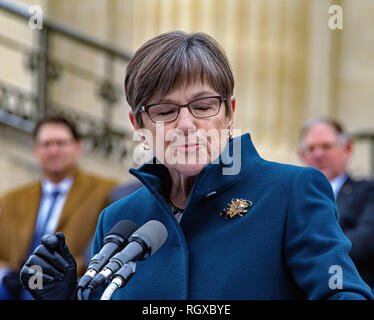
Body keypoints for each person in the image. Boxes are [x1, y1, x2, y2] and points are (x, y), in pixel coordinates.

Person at [20, 31, 373, 300]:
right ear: (138, 125)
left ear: (229, 112)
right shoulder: (118, 220)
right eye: (164, 111)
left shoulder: (290, 191)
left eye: (203, 106)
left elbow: (342, 292)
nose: (186, 125)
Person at [0, 115, 118, 299]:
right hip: (13, 285)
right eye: (46, 144)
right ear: (35, 150)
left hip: (67, 285)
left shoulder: (106, 192)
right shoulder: (11, 199)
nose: (54, 150)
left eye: (61, 143)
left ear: (78, 147)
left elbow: (102, 251)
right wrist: (8, 272)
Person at [298, 117, 374, 286]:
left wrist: (307, 252)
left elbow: (366, 240)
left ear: (347, 148)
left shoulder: (368, 191)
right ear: (302, 155)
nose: (318, 154)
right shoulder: (293, 197)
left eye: (326, 146)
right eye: (311, 148)